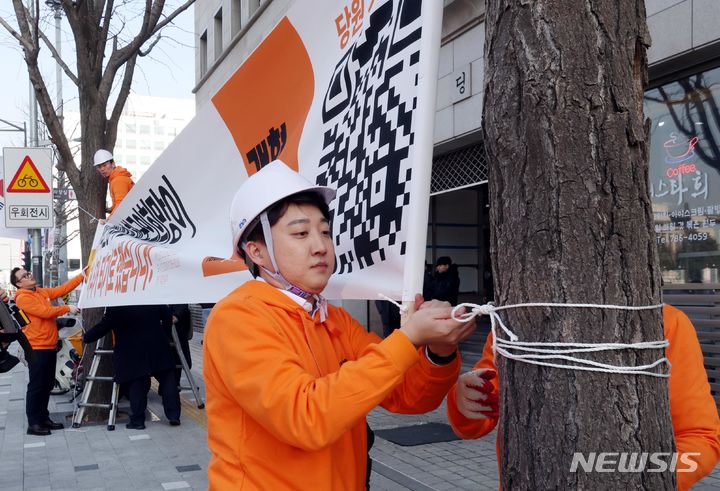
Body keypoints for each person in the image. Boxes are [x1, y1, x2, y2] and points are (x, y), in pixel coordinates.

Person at [203, 160, 476, 490]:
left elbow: (409, 395)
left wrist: (439, 351)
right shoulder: (238, 318)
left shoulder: (333, 319)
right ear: (257, 252)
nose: (320, 246)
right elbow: (306, 418)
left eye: (325, 232)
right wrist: (407, 338)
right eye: (301, 233)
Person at [446, 304, 720, 490]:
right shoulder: (512, 325)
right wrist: (464, 400)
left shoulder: (664, 323)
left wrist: (638, 478)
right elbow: (473, 424)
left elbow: (702, 440)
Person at [83, 304, 181, 429]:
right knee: (168, 381)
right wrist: (165, 334)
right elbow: (167, 315)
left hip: (131, 350)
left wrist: (87, 337)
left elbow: (104, 326)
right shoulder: (151, 296)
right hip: (158, 345)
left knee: (137, 383)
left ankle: (138, 421)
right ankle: (174, 416)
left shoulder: (117, 304)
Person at [11, 267, 84, 436]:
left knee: (47, 385)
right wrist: (67, 308)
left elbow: (61, 289)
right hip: (36, 348)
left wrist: (81, 276)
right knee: (37, 386)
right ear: (19, 283)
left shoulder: (40, 292)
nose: (29, 275)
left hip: (49, 346)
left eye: (28, 273)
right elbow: (45, 312)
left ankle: (44, 418)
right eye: (24, 276)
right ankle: (34, 423)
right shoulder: (23, 298)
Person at [93, 149, 134, 216]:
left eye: (104, 165)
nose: (102, 169)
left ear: (113, 164)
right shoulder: (115, 178)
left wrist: (108, 222)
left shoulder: (118, 180)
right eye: (99, 167)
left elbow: (121, 204)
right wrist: (111, 209)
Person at [169, 304, 193, 388]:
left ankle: (173, 386)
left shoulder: (180, 303)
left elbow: (174, 319)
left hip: (177, 339)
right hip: (173, 340)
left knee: (175, 363)